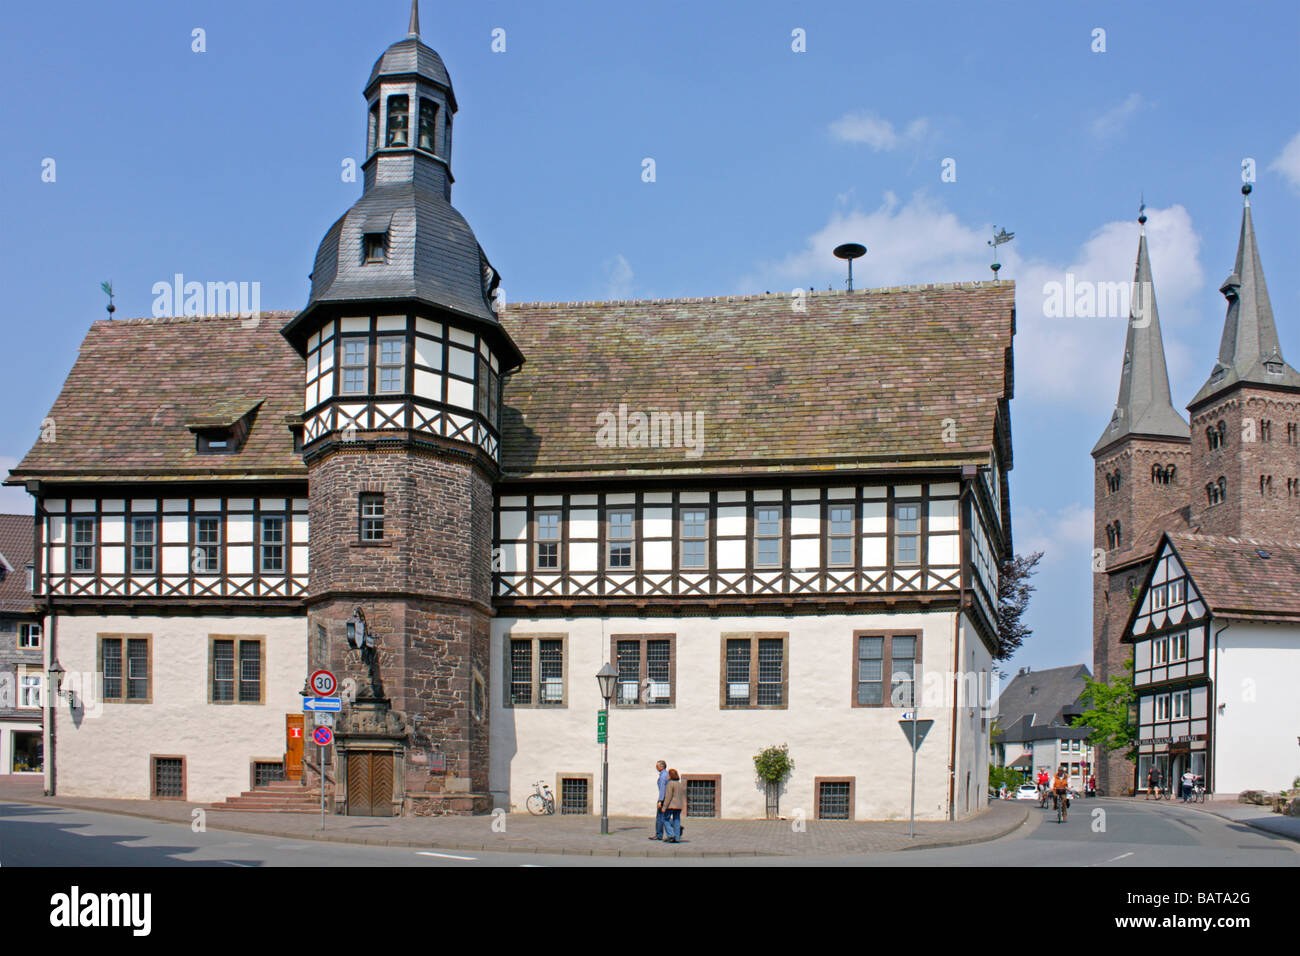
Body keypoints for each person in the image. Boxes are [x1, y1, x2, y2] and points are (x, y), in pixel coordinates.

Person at [662, 768, 686, 842]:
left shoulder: (670, 783)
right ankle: (677, 837)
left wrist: (664, 806)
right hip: (679, 805)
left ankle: (671, 835)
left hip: (671, 805)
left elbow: (668, 796)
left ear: (670, 775)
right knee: (677, 820)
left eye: (668, 775)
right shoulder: (680, 784)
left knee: (665, 819)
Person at [650, 760, 668, 840]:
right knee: (664, 816)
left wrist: (660, 800)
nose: (656, 767)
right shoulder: (665, 774)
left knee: (660, 817)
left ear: (661, 766)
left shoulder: (663, 776)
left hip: (663, 798)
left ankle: (659, 834)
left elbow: (662, 789)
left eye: (657, 766)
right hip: (665, 798)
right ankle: (676, 827)